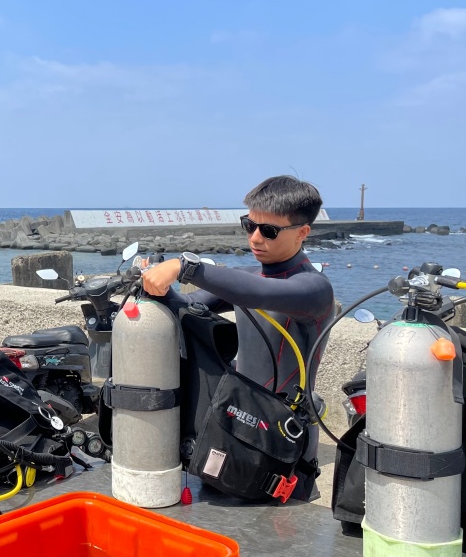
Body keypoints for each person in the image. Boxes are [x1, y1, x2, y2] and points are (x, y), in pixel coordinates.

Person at [142, 175, 335, 501]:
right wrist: (153, 286)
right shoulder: (246, 277)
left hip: (283, 441)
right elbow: (188, 308)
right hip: (233, 425)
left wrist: (184, 266)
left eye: (269, 231)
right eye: (250, 225)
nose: (256, 238)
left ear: (303, 232)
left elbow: (261, 292)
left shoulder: (313, 290)